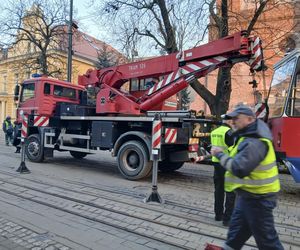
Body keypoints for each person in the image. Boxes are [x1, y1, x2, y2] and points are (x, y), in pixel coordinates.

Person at [211, 105, 283, 250]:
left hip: (259, 200)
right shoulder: (247, 136)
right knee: (233, 239)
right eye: (232, 119)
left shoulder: (255, 142)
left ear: (250, 119)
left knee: (268, 243)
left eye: (237, 118)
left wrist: (219, 154)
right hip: (247, 197)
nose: (233, 122)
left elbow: (239, 168)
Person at [210, 121, 235, 226]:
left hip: (216, 163)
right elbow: (232, 148)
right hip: (226, 163)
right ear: (228, 122)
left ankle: (218, 215)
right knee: (230, 191)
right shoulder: (229, 132)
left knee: (218, 189)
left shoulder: (214, 132)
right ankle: (227, 218)